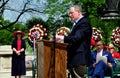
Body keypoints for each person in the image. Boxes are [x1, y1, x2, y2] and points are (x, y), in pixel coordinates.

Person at [56, 5, 92, 78]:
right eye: (69, 13)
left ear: (78, 12)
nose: (70, 15)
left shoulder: (84, 23)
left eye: (71, 13)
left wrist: (61, 38)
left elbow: (76, 38)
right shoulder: (76, 24)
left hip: (79, 59)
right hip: (73, 59)